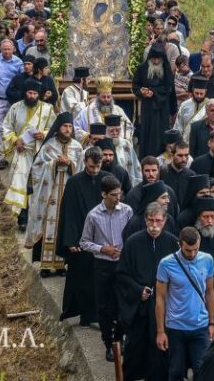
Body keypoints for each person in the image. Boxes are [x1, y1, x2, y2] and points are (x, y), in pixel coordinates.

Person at [117, 203, 177, 381]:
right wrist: (137, 290)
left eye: (158, 220)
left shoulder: (173, 243)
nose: (154, 225)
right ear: (145, 220)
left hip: (164, 309)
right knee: (135, 351)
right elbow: (121, 274)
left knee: (160, 353)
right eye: (151, 220)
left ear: (165, 221)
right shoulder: (133, 242)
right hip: (140, 309)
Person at [80, 175, 134, 361]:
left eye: (119, 194)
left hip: (122, 265)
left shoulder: (127, 211)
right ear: (104, 194)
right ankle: (109, 343)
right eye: (113, 195)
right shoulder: (93, 215)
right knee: (105, 307)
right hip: (103, 265)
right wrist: (103, 248)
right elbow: (84, 242)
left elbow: (132, 237)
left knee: (123, 304)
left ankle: (121, 339)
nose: (117, 198)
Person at [57, 147, 111, 327]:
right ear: (85, 162)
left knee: (99, 279)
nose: (94, 171)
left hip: (102, 239)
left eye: (97, 167)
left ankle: (96, 315)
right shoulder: (74, 182)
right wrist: (71, 241)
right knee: (81, 279)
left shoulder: (107, 180)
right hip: (81, 239)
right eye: (91, 167)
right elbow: (69, 212)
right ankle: (84, 315)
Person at [156, 227, 214, 381]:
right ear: (179, 245)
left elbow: (210, 292)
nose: (192, 254)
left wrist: (212, 322)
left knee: (202, 371)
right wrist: (160, 331)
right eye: (187, 250)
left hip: (200, 325)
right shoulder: (166, 264)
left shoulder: (207, 260)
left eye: (195, 249)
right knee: (176, 372)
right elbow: (160, 298)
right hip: (176, 326)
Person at [25, 112, 83, 274]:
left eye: (70, 127)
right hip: (49, 193)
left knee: (65, 225)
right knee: (47, 225)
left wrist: (70, 163)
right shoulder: (49, 145)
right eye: (65, 126)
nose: (67, 129)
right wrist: (54, 163)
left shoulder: (77, 147)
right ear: (58, 127)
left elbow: (83, 170)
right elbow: (36, 168)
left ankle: (60, 265)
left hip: (68, 193)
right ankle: (45, 265)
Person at [2, 80, 58, 225]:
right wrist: (15, 140)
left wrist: (44, 134)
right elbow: (6, 128)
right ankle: (22, 217)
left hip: (40, 152)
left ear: (38, 94)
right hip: (22, 152)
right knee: (22, 184)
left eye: (34, 93)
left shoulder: (47, 109)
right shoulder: (15, 108)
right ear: (25, 93)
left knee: (36, 185)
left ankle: (37, 215)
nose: (32, 96)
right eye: (29, 93)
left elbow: (53, 128)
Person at [133, 44, 179, 159]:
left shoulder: (166, 68)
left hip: (162, 107)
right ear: (150, 58)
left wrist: (154, 92)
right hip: (148, 107)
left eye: (158, 59)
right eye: (154, 59)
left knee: (161, 133)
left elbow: (169, 89)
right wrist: (142, 91)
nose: (156, 61)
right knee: (147, 134)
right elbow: (135, 86)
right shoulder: (142, 68)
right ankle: (146, 160)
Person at [0, 39, 24, 153]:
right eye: (4, 49)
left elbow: (22, 80)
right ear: (0, 50)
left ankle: (12, 150)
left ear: (13, 49)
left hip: (12, 101)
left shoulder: (18, 62)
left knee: (13, 126)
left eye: (9, 49)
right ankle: (3, 152)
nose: (7, 51)